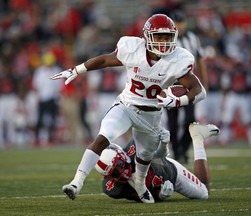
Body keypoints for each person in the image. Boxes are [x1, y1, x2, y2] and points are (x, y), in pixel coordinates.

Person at [50, 14, 206, 203]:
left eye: (167, 37)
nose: (164, 42)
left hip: (152, 115)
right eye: (159, 37)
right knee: (103, 137)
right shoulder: (133, 49)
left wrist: (178, 101)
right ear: (147, 37)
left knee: (144, 157)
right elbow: (106, 60)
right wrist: (76, 70)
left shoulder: (179, 58)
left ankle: (140, 185)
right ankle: (76, 182)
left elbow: (199, 91)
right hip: (127, 106)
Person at [95, 123, 220, 202]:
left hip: (170, 172)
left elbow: (160, 156)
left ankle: (197, 137)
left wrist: (164, 144)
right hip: (157, 184)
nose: (120, 172)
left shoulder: (135, 148)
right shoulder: (112, 188)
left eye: (119, 166)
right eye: (114, 173)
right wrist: (161, 195)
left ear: (122, 155)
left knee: (204, 193)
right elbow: (142, 196)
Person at [166, 10, 208, 162]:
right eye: (176, 23)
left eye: (181, 23)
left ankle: (183, 149)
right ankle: (176, 153)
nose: (179, 26)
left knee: (190, 119)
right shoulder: (168, 39)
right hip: (171, 84)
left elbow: (200, 61)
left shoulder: (192, 38)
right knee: (173, 121)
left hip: (190, 84)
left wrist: (204, 82)